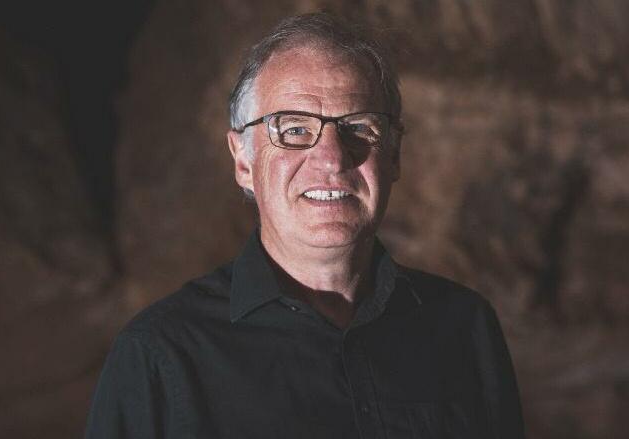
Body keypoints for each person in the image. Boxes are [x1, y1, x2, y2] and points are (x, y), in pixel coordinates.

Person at [85, 12, 525, 439]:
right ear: (243, 161)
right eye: (294, 130)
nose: (332, 160)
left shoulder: (465, 328)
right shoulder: (160, 355)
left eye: (358, 128)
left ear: (393, 155)